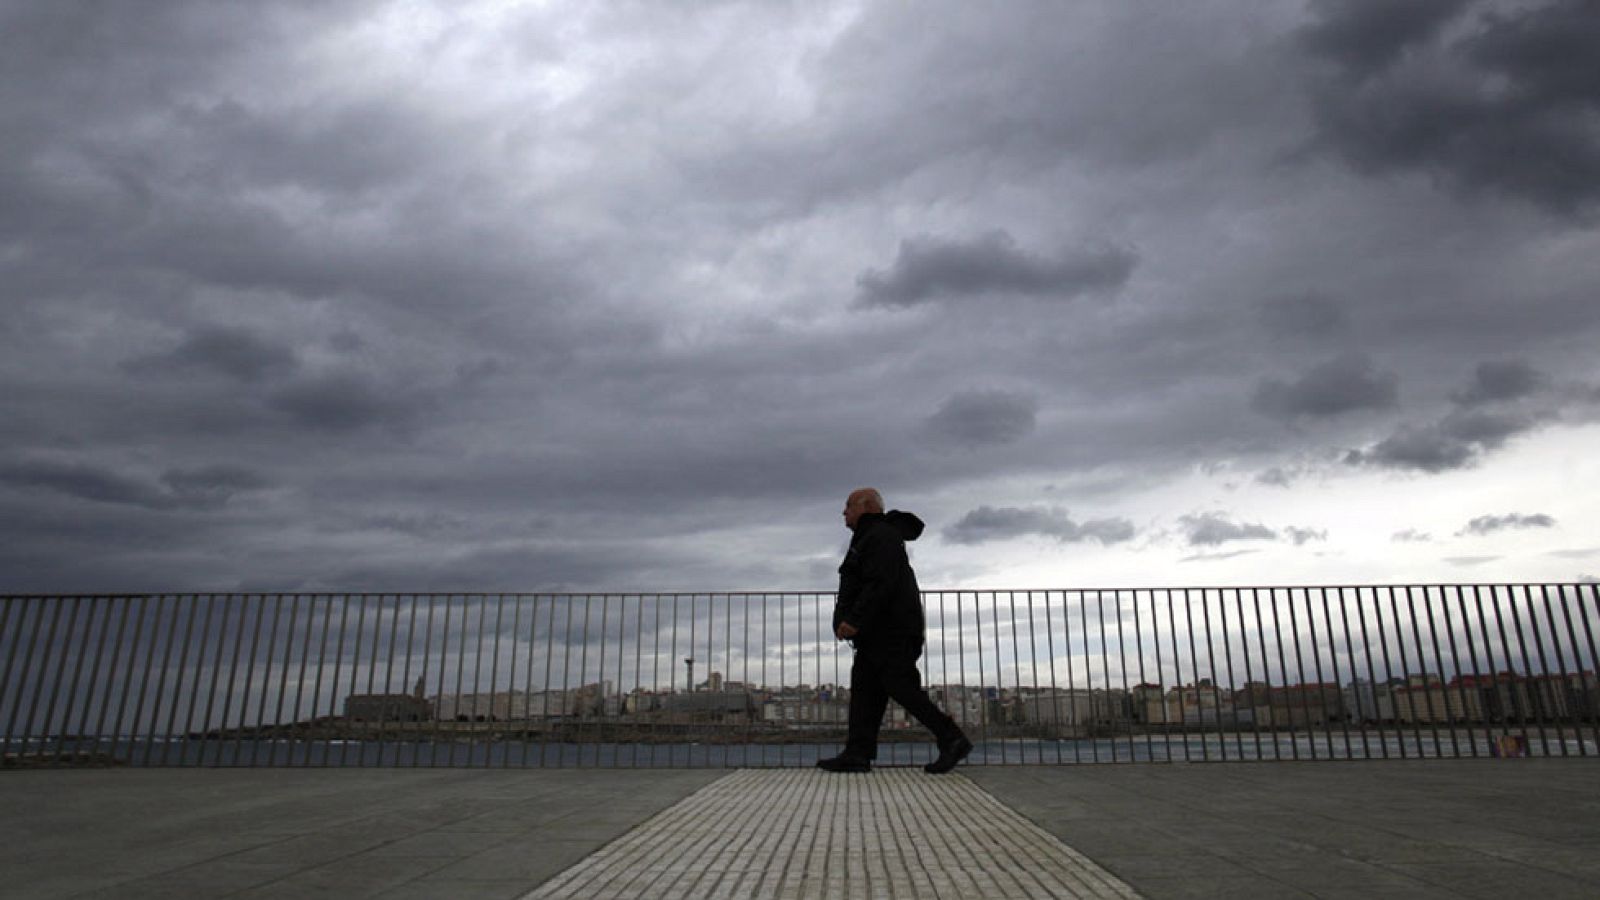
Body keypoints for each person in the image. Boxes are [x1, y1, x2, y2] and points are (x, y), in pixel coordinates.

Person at [817, 488, 972, 774]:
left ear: (866, 507)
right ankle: (857, 753)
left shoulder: (879, 537)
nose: (844, 512)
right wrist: (849, 620)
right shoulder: (871, 537)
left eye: (848, 506)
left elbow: (879, 584)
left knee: (901, 687)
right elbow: (864, 583)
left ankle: (952, 738)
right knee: (866, 690)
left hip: (890, 631)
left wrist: (854, 620)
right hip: (879, 631)